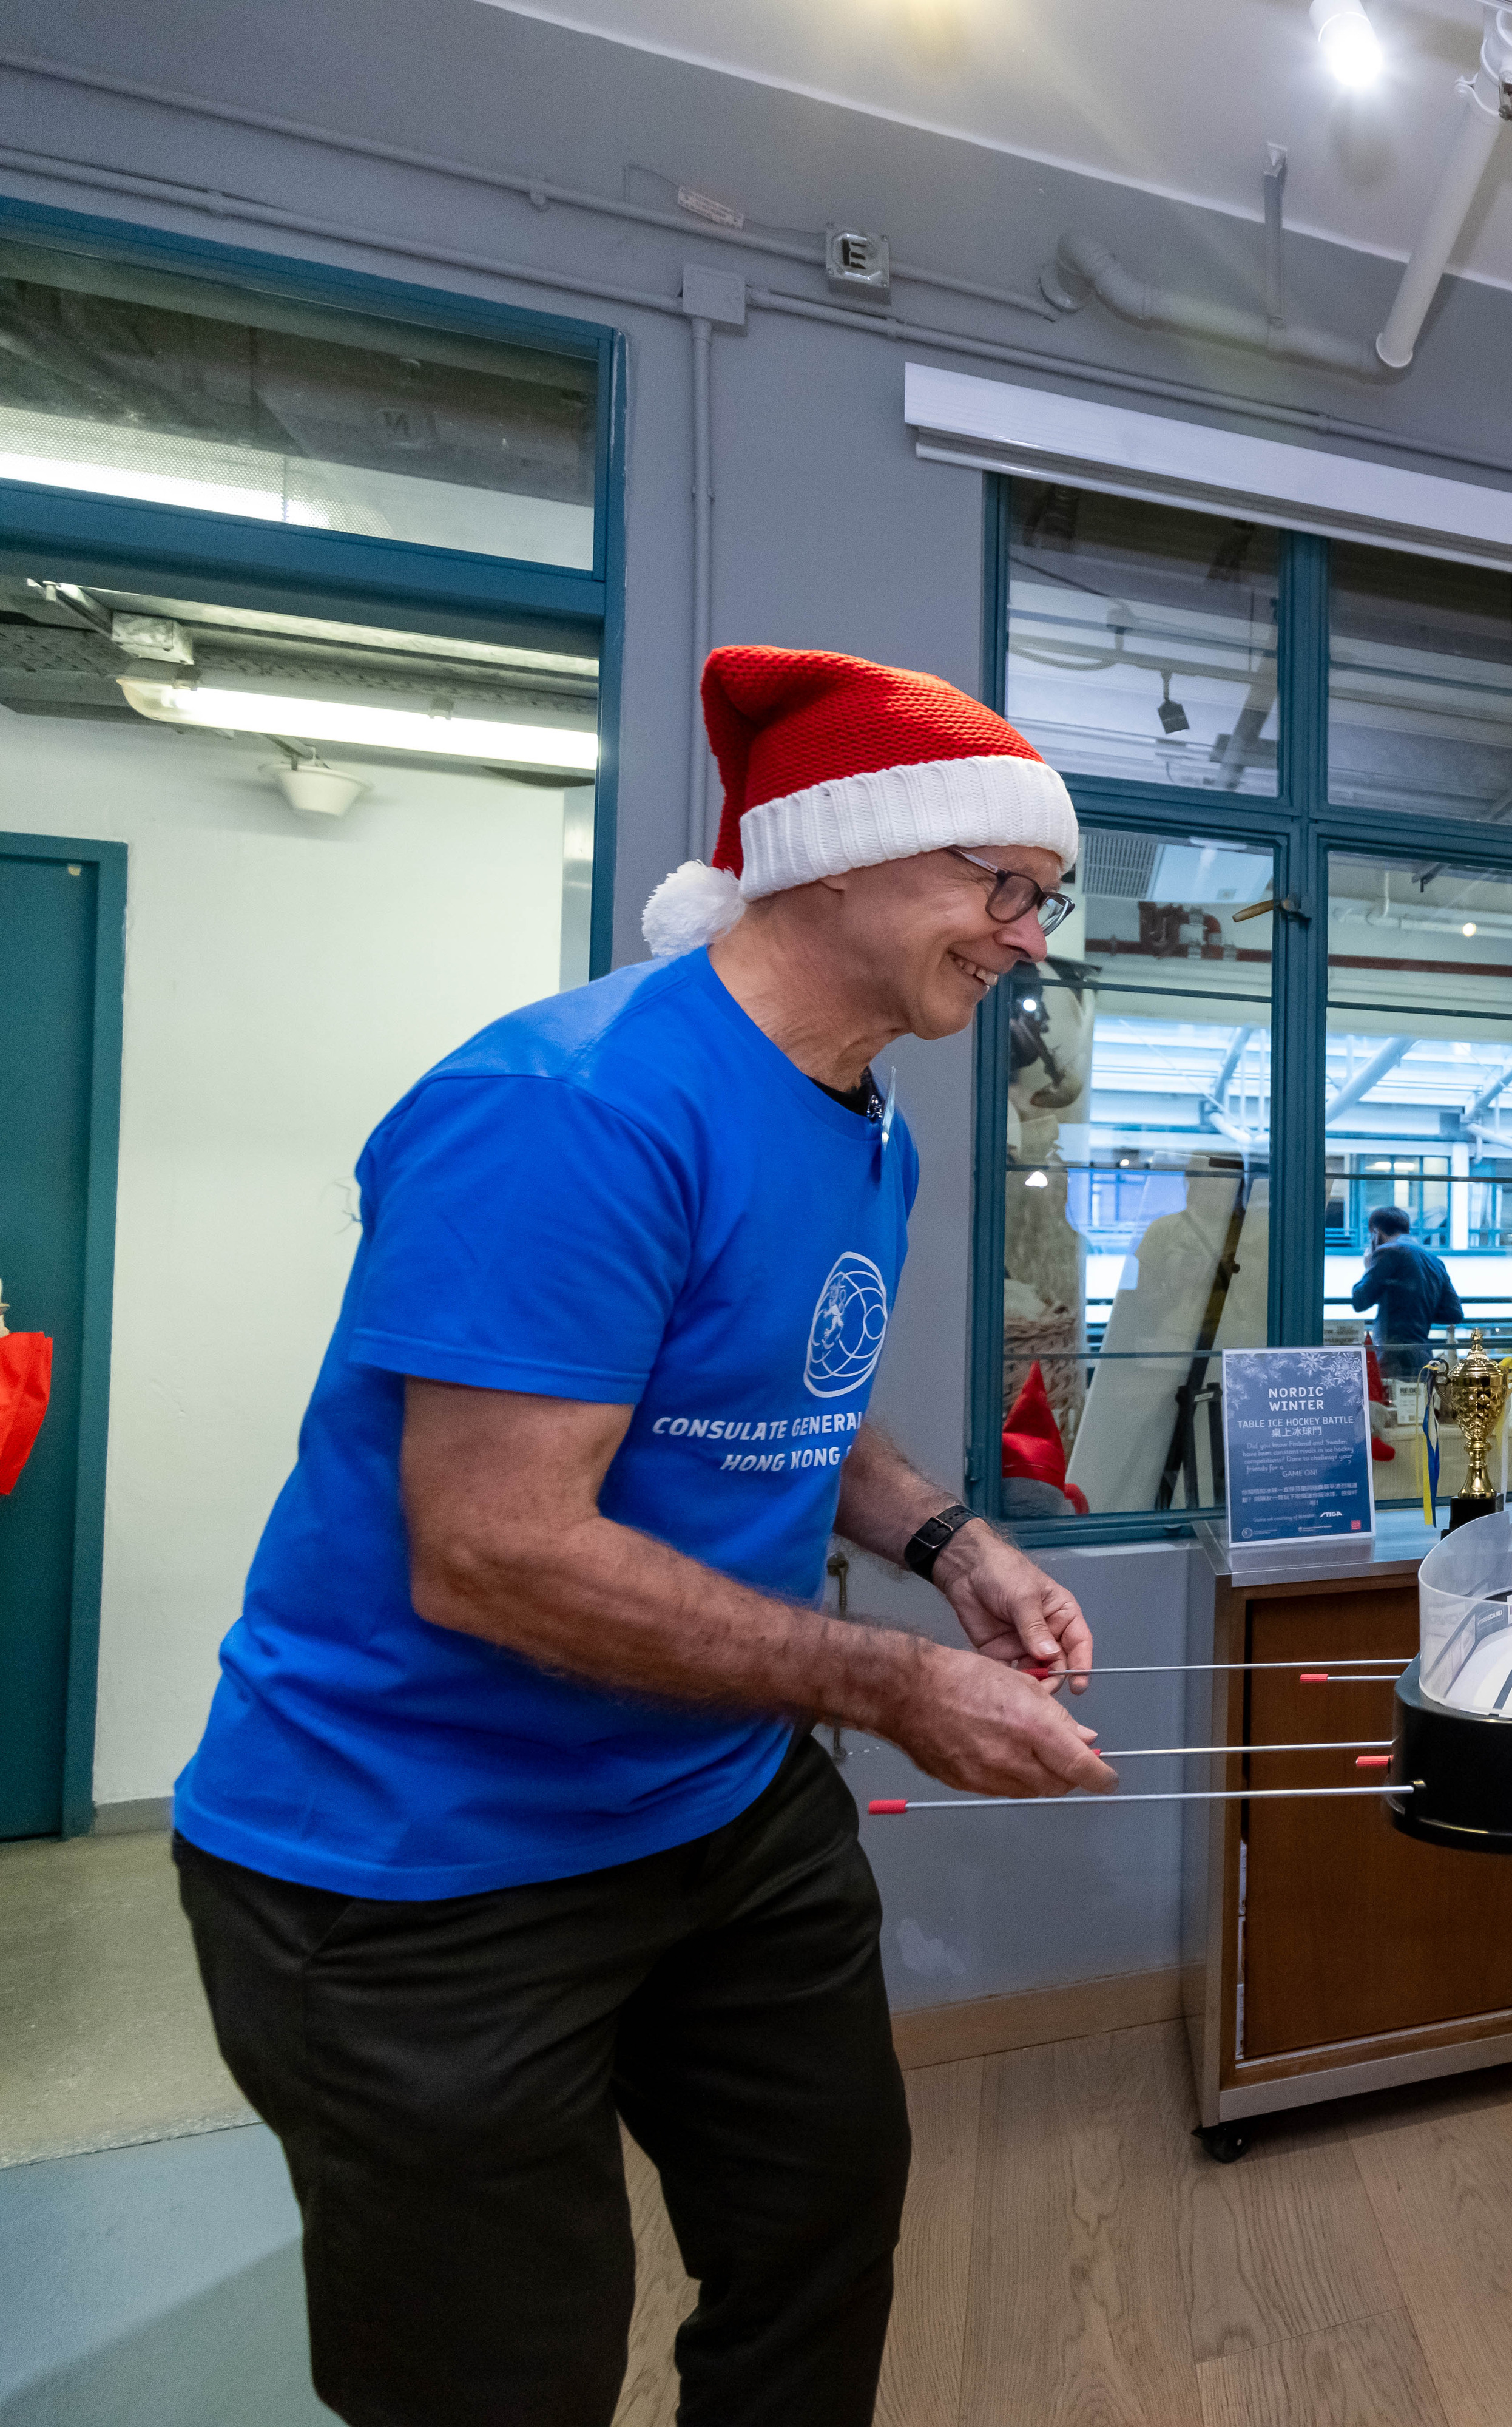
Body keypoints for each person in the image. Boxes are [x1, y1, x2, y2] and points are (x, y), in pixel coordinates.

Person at [169, 648, 1123, 2427]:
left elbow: (791, 1398)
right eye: (999, 885)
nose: (1023, 941)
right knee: (502, 2372)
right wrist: (895, 1684)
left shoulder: (869, 1133)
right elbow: (494, 1550)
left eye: (1041, 901)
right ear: (837, 855)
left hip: (717, 1811)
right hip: (419, 1861)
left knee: (820, 2243)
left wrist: (951, 1547)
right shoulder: (576, 1104)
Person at [1348, 1201, 1466, 1381]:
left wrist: (1369, 1265)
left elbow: (1360, 1301)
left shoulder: (1388, 1252)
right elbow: (1454, 1313)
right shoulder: (1433, 1260)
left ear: (1376, 1234)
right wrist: (1416, 1307)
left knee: (1393, 1409)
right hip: (1423, 1357)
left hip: (1393, 1359)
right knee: (1419, 1407)